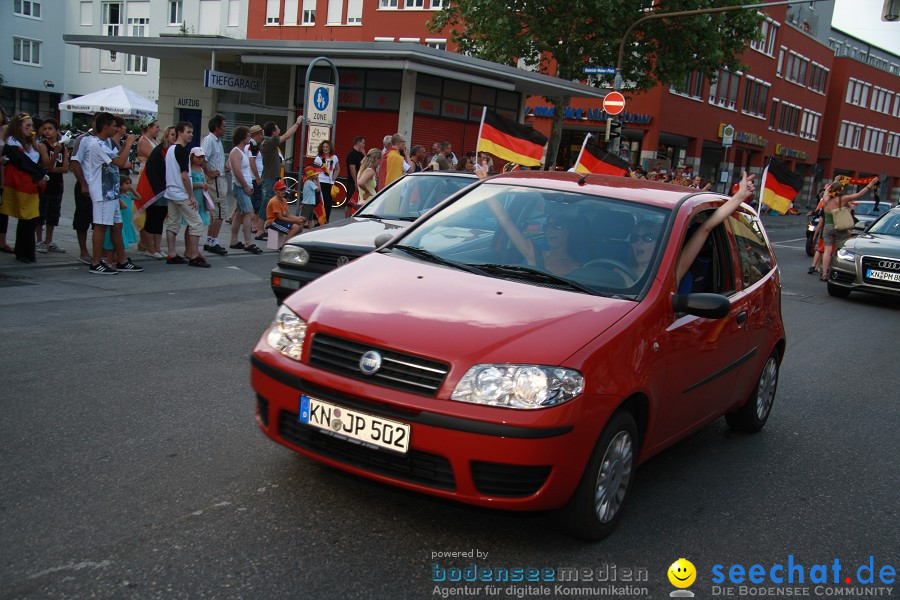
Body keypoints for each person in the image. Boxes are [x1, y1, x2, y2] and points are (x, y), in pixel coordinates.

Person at [77, 112, 140, 274]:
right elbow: (119, 162)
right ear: (105, 127)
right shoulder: (96, 144)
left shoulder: (105, 143)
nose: (115, 129)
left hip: (112, 191)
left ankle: (122, 260)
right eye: (113, 126)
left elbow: (119, 159)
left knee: (117, 226)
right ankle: (96, 262)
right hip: (102, 192)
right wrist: (129, 144)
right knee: (101, 226)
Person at [1, 112, 47, 263]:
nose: (30, 128)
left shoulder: (31, 142)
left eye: (31, 126)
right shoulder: (12, 142)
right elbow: (22, 162)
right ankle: (24, 252)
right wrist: (40, 175)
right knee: (28, 218)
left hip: (31, 186)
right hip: (21, 185)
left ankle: (25, 252)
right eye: (27, 126)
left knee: (29, 219)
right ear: (18, 127)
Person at [163, 121, 208, 267]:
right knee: (197, 223)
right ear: (180, 132)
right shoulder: (181, 151)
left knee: (173, 224)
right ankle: (194, 256)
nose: (191, 135)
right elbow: (184, 176)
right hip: (181, 193)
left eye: (192, 132)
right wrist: (191, 196)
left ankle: (171, 254)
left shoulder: (170, 149)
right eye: (188, 132)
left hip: (171, 192)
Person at [820, 179, 875, 282]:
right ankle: (834, 271)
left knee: (827, 251)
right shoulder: (842, 199)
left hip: (827, 227)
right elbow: (859, 194)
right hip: (839, 227)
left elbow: (828, 189)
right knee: (838, 250)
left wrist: (835, 181)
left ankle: (824, 274)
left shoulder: (825, 198)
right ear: (840, 190)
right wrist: (870, 184)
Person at [260, 115, 303, 225]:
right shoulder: (269, 142)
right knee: (267, 203)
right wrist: (297, 123)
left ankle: (265, 226)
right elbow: (287, 136)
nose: (279, 130)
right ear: (273, 132)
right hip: (269, 178)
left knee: (269, 203)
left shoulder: (269, 143)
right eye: (277, 128)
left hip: (272, 177)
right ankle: (260, 228)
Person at [140, 126, 175, 259]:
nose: (174, 137)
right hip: (155, 190)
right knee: (152, 218)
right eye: (172, 134)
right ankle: (150, 248)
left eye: (175, 135)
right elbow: (155, 171)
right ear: (167, 136)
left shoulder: (171, 151)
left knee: (160, 218)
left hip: (165, 190)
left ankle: (157, 247)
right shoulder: (160, 151)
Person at [35, 118, 69, 253]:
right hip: (45, 183)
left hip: (57, 183)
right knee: (41, 212)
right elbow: (47, 165)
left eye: (50, 129)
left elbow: (65, 168)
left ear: (57, 130)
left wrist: (53, 167)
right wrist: (55, 152)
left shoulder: (63, 147)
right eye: (45, 129)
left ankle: (49, 240)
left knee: (53, 213)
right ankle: (39, 240)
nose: (47, 131)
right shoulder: (42, 145)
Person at [228, 126, 261, 254]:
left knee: (239, 214)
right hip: (240, 187)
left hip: (244, 186)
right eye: (248, 136)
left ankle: (234, 240)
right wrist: (246, 186)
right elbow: (237, 171)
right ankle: (248, 242)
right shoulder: (236, 152)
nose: (250, 138)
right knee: (249, 213)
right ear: (242, 138)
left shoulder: (242, 151)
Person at [200, 114, 229, 256]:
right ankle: (214, 242)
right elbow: (202, 158)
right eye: (223, 126)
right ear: (217, 127)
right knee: (219, 211)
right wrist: (209, 173)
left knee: (216, 212)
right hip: (215, 181)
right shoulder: (210, 140)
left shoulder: (217, 141)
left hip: (219, 178)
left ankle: (210, 240)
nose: (225, 128)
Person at [101, 174, 140, 264]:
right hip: (118, 222)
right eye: (127, 183)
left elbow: (139, 197)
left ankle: (118, 258)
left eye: (130, 183)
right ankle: (111, 261)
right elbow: (124, 206)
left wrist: (133, 189)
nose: (129, 185)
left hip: (126, 222)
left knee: (120, 242)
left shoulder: (129, 195)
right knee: (112, 246)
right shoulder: (118, 196)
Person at [266, 180, 306, 245]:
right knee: (295, 227)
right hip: (273, 221)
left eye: (284, 189)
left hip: (279, 220)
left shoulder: (284, 200)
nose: (283, 191)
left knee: (300, 225)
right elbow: (280, 217)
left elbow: (287, 214)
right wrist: (295, 220)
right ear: (276, 191)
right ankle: (285, 244)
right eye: (281, 190)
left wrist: (298, 218)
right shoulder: (275, 201)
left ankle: (292, 242)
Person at [246, 124, 266, 239]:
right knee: (257, 201)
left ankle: (254, 225)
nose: (262, 136)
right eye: (261, 134)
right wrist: (258, 177)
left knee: (255, 201)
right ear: (257, 134)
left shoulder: (250, 144)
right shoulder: (253, 144)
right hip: (254, 178)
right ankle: (255, 226)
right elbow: (252, 162)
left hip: (252, 177)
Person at [313, 139, 339, 223]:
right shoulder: (318, 158)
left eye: (327, 147)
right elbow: (314, 171)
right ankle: (317, 221)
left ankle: (326, 220)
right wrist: (316, 182)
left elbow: (338, 168)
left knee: (328, 203)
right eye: (324, 147)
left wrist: (334, 178)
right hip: (320, 182)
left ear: (330, 148)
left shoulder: (334, 157)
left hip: (329, 183)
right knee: (319, 202)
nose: (325, 148)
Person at [345, 136, 365, 215]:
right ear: (359, 143)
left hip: (359, 180)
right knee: (350, 202)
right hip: (352, 181)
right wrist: (355, 182)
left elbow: (367, 163)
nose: (364, 145)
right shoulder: (352, 154)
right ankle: (346, 220)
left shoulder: (360, 154)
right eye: (363, 143)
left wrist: (364, 154)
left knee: (356, 202)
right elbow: (352, 168)